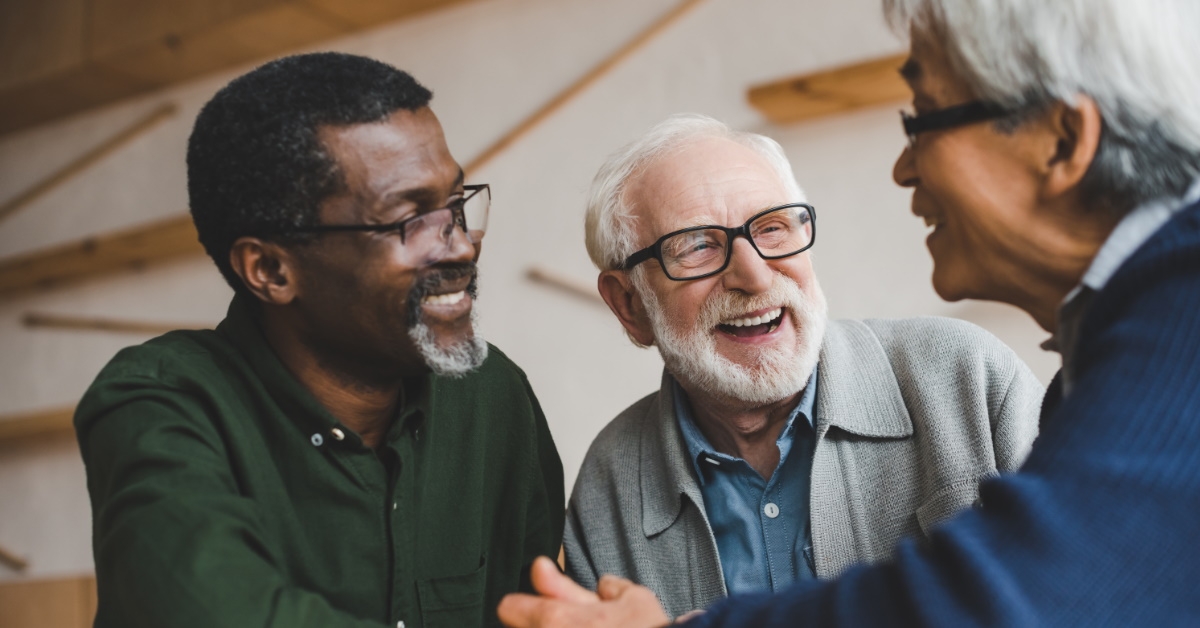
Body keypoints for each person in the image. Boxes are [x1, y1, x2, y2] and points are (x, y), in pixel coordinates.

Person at [497, 0, 1200, 625]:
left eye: (921, 120)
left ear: (1061, 142)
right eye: (696, 247)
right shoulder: (1126, 331)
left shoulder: (1166, 326)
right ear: (629, 305)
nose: (903, 169)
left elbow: (1027, 597)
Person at [74, 52, 564, 628]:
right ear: (272, 271)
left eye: (454, 205)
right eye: (407, 219)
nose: (458, 245)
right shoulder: (159, 401)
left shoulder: (493, 396)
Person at [561, 113, 1042, 619]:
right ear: (630, 305)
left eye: (771, 228)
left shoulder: (968, 378)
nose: (754, 275)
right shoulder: (610, 481)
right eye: (698, 246)